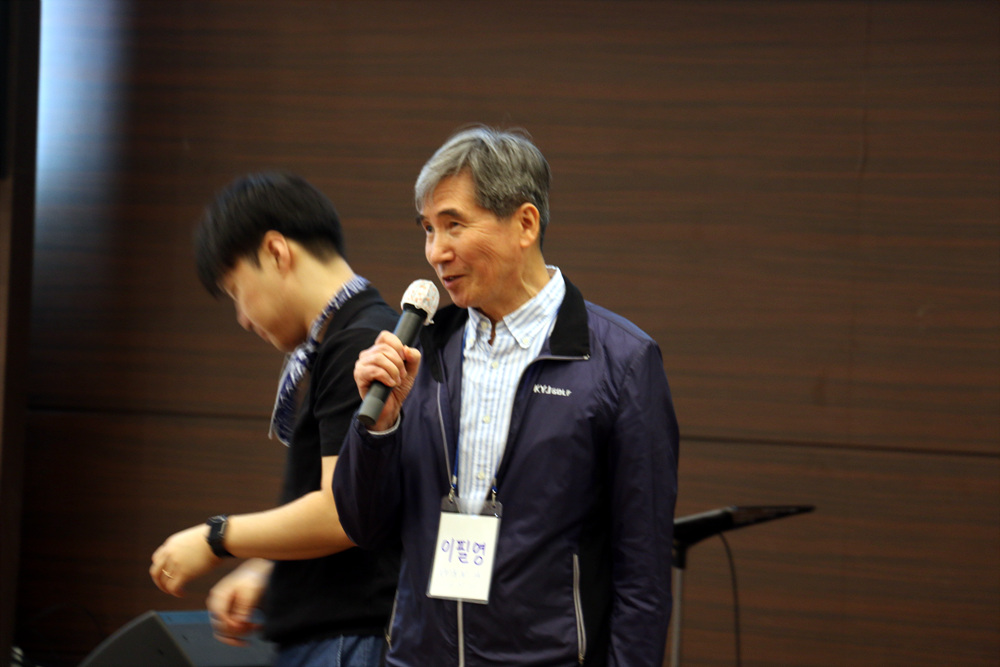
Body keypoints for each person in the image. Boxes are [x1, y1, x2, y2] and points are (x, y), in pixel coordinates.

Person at [333, 126, 680, 666]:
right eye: (428, 229)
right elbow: (364, 525)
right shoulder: (420, 353)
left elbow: (644, 574)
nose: (436, 252)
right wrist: (378, 430)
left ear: (525, 224)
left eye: (454, 225)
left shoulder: (621, 362)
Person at [150, 172, 400, 667]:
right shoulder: (358, 334)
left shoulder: (358, 343)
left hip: (346, 639)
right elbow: (363, 507)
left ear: (276, 252)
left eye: (236, 290)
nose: (243, 318)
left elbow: (341, 512)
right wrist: (267, 567)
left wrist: (215, 538)